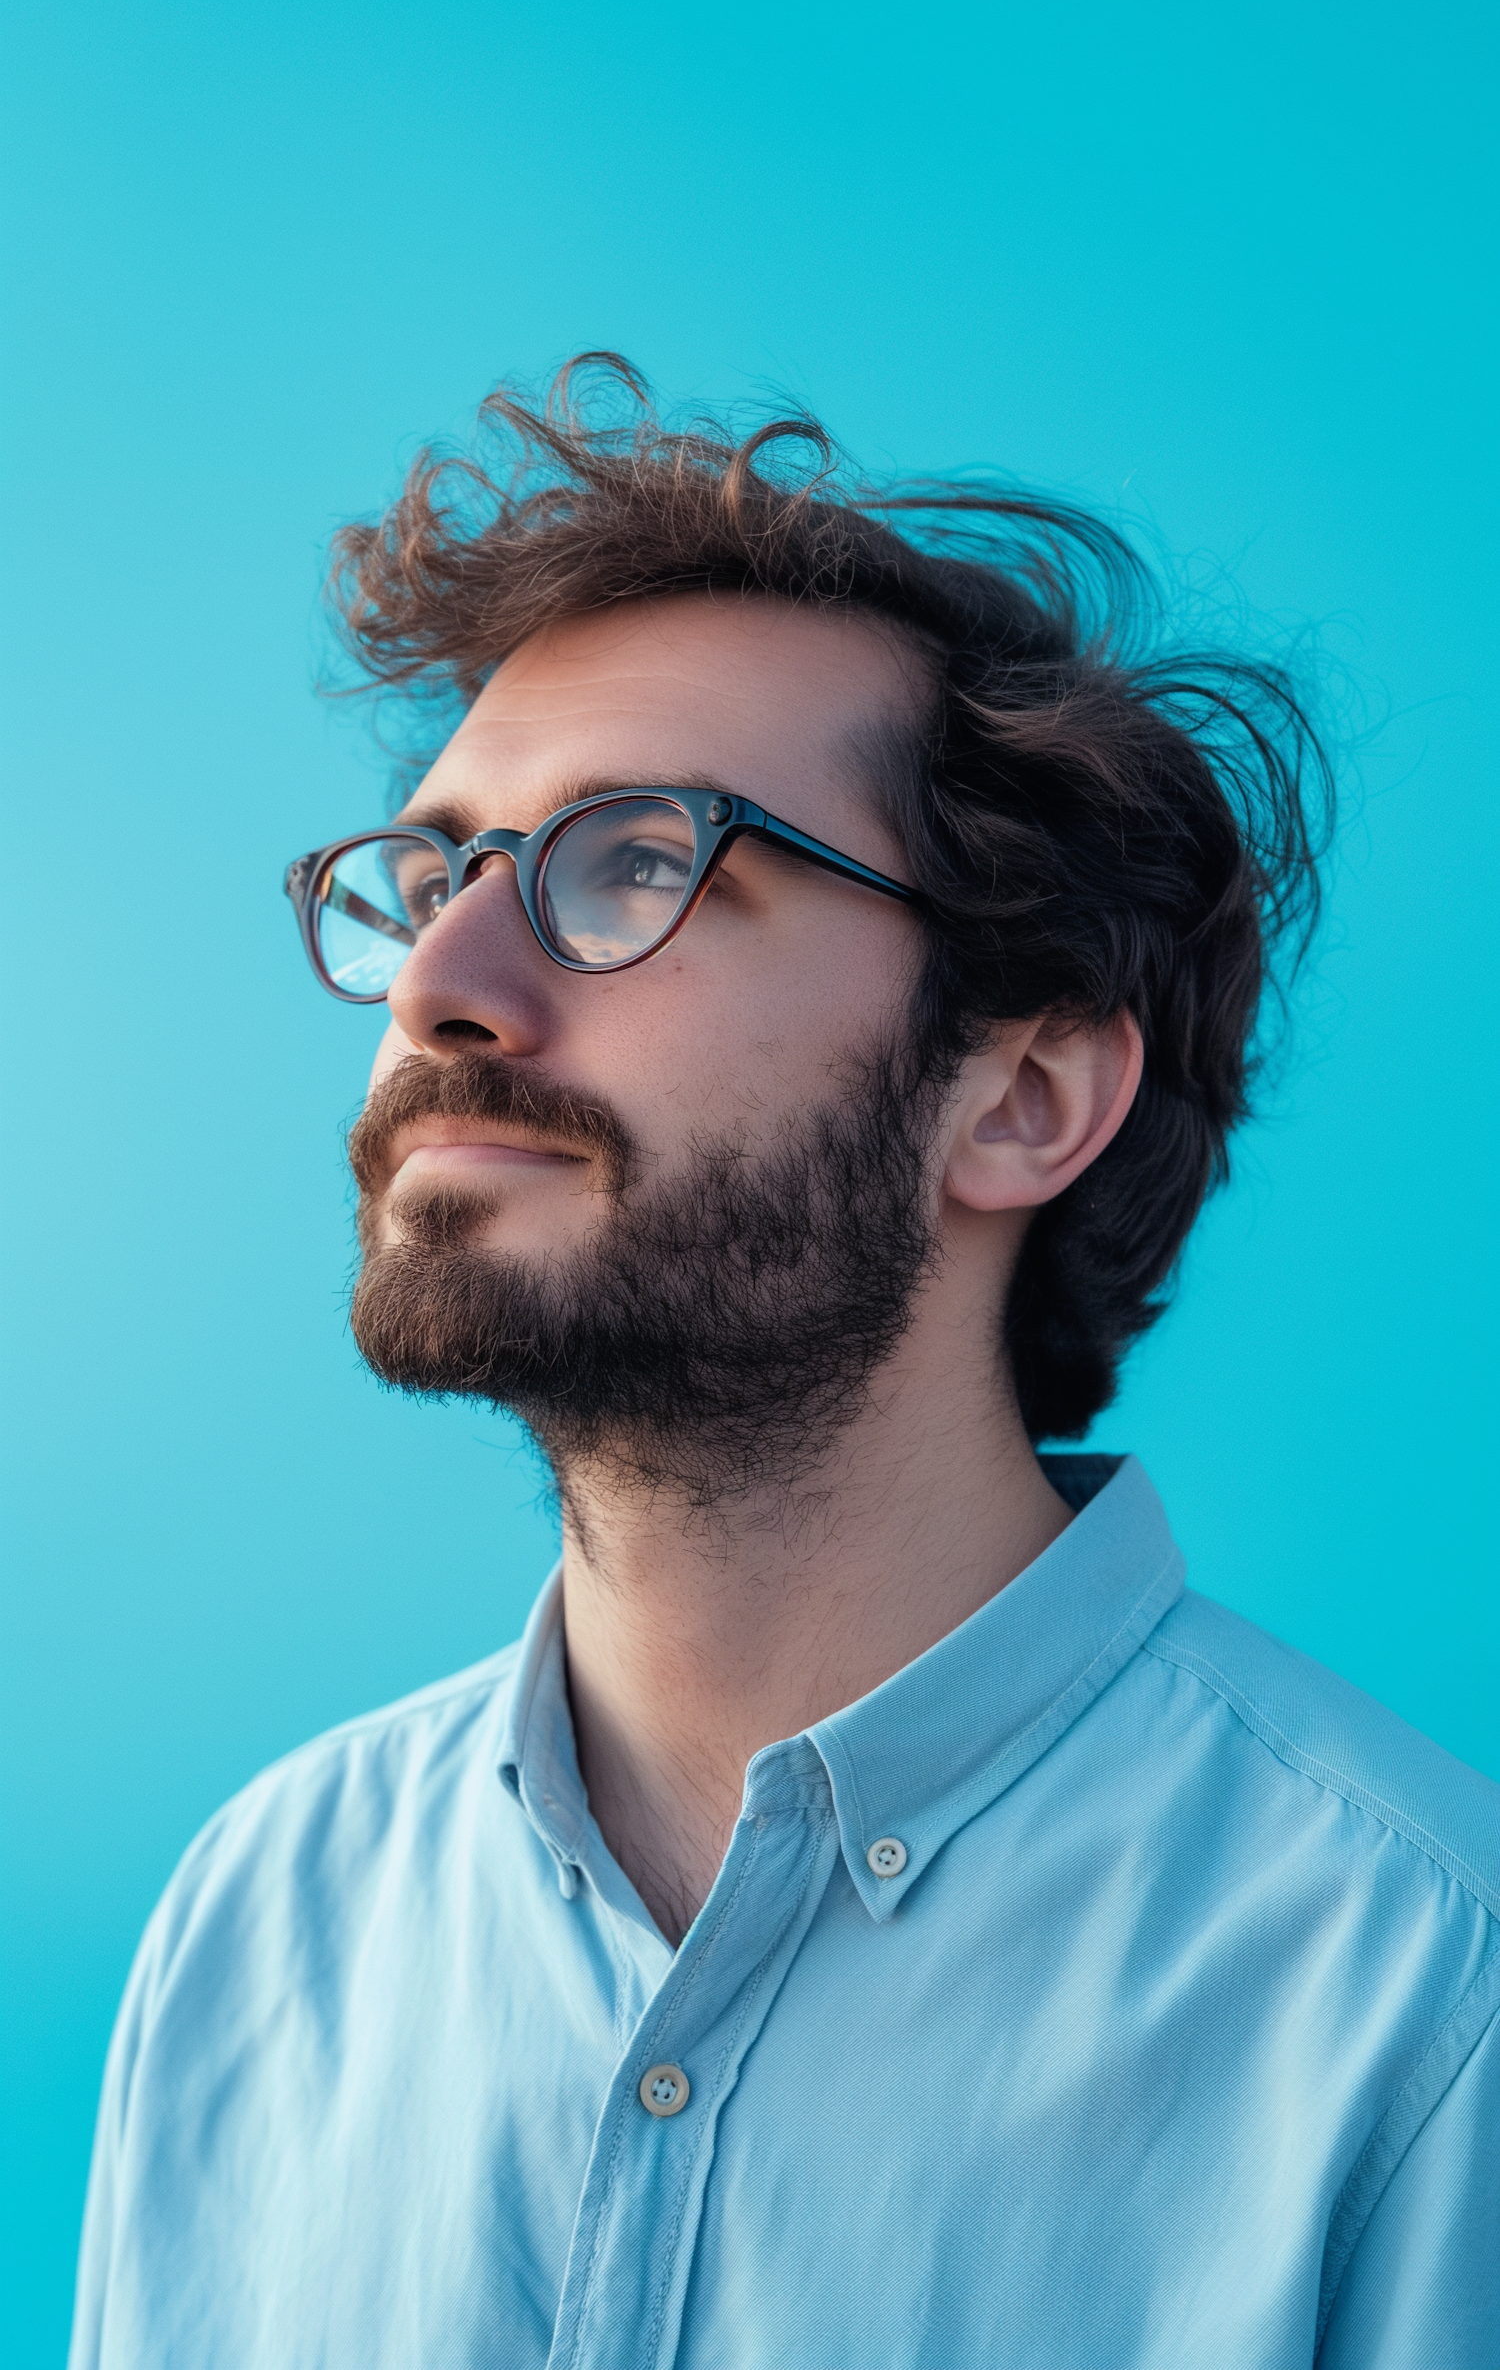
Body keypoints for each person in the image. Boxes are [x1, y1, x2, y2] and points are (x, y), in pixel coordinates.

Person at [71, 361, 1498, 2369]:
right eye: (434, 877)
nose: (451, 991)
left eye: (638, 862)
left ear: (1015, 1096)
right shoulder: (261, 1924)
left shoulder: (1428, 1996)